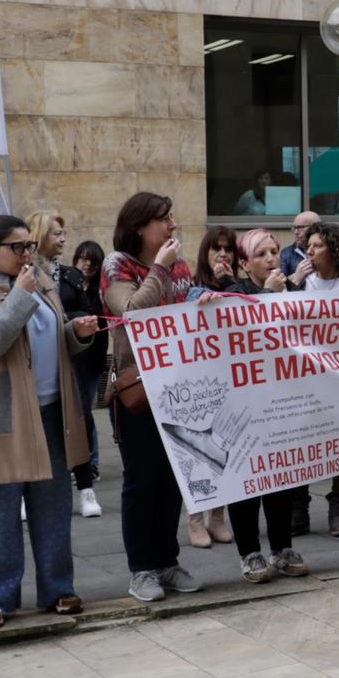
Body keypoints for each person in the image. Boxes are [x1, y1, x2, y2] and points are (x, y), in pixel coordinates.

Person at [0, 215, 100, 627]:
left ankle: (58, 590)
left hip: (51, 411)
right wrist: (18, 295)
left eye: (28, 245)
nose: (26, 254)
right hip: (1, 415)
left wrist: (76, 333)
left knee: (52, 508)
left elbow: (48, 339)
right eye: (16, 247)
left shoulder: (40, 279)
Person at [102, 193, 202, 603]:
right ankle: (141, 568)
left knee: (171, 480)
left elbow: (185, 302)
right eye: (163, 219)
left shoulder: (179, 264)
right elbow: (131, 312)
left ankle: (166, 561)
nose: (172, 225)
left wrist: (202, 299)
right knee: (141, 480)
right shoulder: (117, 265)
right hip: (137, 389)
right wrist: (159, 268)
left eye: (172, 216)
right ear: (140, 226)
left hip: (177, 384)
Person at [226, 227, 306, 580]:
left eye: (274, 251)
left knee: (281, 476)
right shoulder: (234, 293)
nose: (272, 258)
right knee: (246, 479)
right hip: (245, 403)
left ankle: (281, 547)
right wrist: (264, 296)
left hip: (280, 398)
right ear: (245, 264)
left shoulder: (294, 291)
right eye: (261, 254)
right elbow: (236, 337)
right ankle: (250, 552)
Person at [292, 222, 339, 535]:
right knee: (303, 440)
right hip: (306, 376)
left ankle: (338, 507)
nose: (311, 251)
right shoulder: (302, 282)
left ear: (335, 249)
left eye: (318, 245)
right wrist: (293, 283)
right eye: (309, 246)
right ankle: (300, 506)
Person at [182, 225, 246, 549]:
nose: (223, 254)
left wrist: (229, 287)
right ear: (205, 254)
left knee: (223, 448)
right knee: (196, 453)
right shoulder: (194, 290)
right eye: (216, 249)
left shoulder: (238, 286)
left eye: (228, 249)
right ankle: (195, 518)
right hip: (200, 383)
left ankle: (216, 517)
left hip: (229, 383)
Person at [60, 240, 108, 517]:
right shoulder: (68, 282)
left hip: (92, 359)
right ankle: (82, 464)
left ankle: (92, 462)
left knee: (86, 411)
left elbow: (98, 318)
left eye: (92, 260)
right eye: (82, 258)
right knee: (80, 413)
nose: (86, 264)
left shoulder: (98, 288)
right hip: (74, 357)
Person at [26, 210, 71, 287]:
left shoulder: (71, 275)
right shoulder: (24, 272)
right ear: (40, 236)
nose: (63, 239)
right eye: (57, 234)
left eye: (63, 234)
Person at [280, 210, 320, 276]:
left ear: (315, 228)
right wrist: (297, 277)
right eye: (294, 228)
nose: (296, 232)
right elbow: (281, 283)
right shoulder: (286, 253)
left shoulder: (328, 251)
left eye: (300, 227)